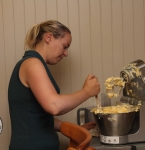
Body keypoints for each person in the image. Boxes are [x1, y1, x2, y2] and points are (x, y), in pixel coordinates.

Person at [8, 20, 100, 150]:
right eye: (65, 46)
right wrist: (86, 92)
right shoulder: (32, 64)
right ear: (49, 38)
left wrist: (72, 129)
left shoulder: (34, 63)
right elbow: (54, 105)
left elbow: (34, 117)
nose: (66, 53)